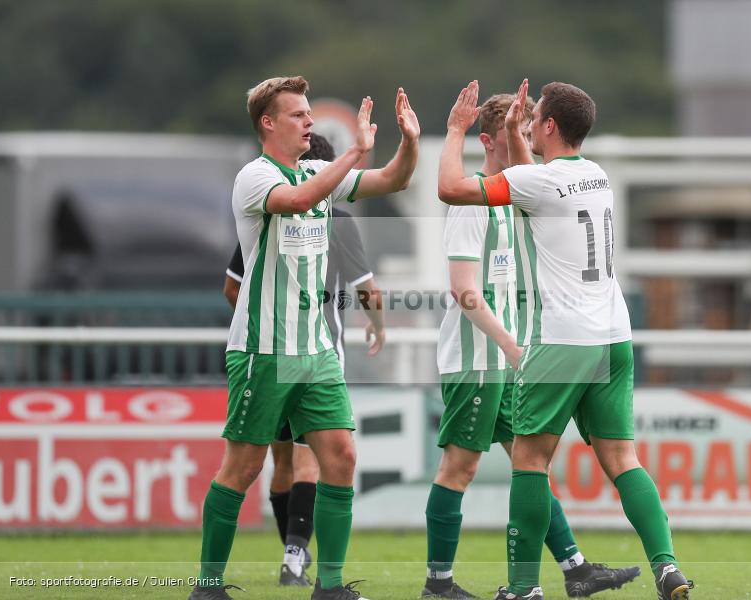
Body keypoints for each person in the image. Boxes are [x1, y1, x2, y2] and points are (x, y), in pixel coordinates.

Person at [437, 79, 694, 600]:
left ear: (550, 126)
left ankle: (523, 588)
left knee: (530, 461)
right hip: (614, 335)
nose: (528, 123)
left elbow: (450, 188)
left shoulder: (538, 183)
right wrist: (514, 130)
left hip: (562, 338)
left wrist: (455, 130)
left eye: (536, 119)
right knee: (624, 460)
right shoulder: (596, 176)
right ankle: (668, 569)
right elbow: (539, 179)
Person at [190, 75, 419, 600]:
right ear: (268, 124)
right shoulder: (255, 176)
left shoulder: (319, 170)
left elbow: (393, 181)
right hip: (264, 351)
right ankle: (206, 587)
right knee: (244, 466)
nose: (310, 122)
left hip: (317, 353)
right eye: (298, 115)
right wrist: (355, 151)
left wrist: (408, 141)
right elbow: (295, 202)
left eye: (310, 114)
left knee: (341, 456)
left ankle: (330, 585)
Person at [223, 134, 385, 588]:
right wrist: (379, 324)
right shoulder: (337, 219)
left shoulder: (267, 208)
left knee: (279, 464)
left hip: (271, 350)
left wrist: (264, 314)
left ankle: (292, 557)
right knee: (309, 461)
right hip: (318, 353)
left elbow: (232, 286)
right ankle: (296, 556)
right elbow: (368, 289)